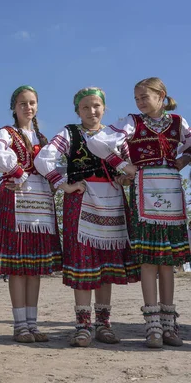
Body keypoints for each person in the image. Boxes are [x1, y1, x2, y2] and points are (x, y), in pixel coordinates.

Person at [87, 77, 191, 348]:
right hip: (144, 192)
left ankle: (169, 325)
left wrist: (183, 159)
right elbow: (98, 142)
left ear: (161, 95)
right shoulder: (133, 122)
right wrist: (123, 165)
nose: (140, 102)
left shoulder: (179, 123)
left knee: (167, 261)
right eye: (137, 98)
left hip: (171, 192)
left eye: (144, 96)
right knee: (148, 259)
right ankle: (152, 326)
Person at [35, 87, 140, 347]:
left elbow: (128, 167)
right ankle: (82, 326)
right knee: (83, 263)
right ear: (77, 110)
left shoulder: (115, 136)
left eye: (96, 106)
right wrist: (64, 184)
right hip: (81, 201)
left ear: (104, 108)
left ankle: (103, 324)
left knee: (105, 263)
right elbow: (43, 159)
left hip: (112, 201)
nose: (91, 111)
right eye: (85, 107)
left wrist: (124, 178)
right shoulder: (69, 133)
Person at [0, 86, 62, 343]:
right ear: (14, 107)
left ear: (37, 106)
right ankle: (19, 325)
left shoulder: (42, 136)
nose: (27, 107)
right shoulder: (7, 133)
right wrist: (17, 171)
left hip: (40, 204)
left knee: (34, 267)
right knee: (18, 266)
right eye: (22, 103)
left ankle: (32, 323)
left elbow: (54, 164)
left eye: (31, 103)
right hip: (16, 201)